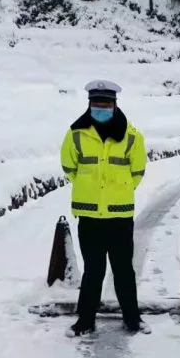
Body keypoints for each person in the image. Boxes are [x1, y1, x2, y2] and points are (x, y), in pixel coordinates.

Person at [60, 80, 148, 337]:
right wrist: (90, 189)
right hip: (89, 215)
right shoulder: (75, 134)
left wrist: (116, 191)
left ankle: (133, 319)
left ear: (114, 105)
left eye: (106, 104)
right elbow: (69, 168)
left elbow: (138, 171)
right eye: (97, 104)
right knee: (93, 271)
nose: (101, 108)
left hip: (119, 215)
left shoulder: (132, 136)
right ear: (89, 105)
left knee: (123, 270)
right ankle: (84, 322)